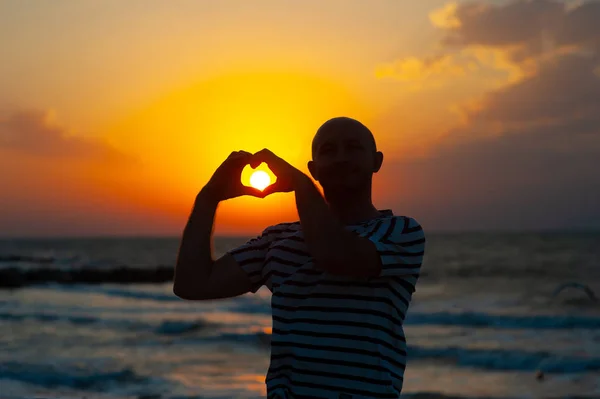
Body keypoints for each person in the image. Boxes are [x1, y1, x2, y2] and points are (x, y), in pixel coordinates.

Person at [173, 116, 426, 399]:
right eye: (328, 151)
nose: (341, 158)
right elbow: (192, 284)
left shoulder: (401, 231)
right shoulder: (277, 240)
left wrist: (301, 185)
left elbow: (337, 256)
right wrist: (208, 198)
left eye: (353, 147)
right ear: (314, 168)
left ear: (376, 161)